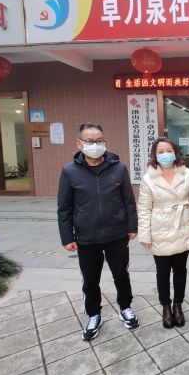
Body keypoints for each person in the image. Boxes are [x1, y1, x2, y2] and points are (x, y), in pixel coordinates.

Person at [58, 123, 139, 341]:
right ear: (80, 143)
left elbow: (129, 201)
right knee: (90, 280)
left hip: (116, 234)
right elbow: (64, 208)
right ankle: (94, 315)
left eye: (99, 141)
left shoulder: (118, 168)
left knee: (121, 274)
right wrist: (67, 237)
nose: (95, 145)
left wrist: (132, 226)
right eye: (90, 141)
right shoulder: (69, 171)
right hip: (86, 237)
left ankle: (125, 308)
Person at [137, 137, 189, 329]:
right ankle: (166, 306)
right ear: (154, 155)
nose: (165, 154)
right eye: (161, 151)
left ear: (175, 153)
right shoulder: (148, 178)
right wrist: (144, 234)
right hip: (160, 229)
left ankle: (178, 305)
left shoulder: (187, 173)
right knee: (162, 272)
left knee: (180, 270)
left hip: (183, 226)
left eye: (169, 150)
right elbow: (144, 208)